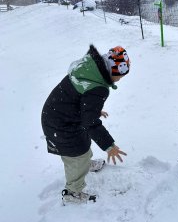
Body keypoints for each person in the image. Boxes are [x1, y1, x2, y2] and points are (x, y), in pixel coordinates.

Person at [41, 45, 130, 204]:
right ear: (112, 71)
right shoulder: (98, 87)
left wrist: (93, 110)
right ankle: (72, 192)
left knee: (82, 145)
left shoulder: (90, 70)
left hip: (57, 115)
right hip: (60, 125)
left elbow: (80, 99)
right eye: (120, 75)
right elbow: (90, 122)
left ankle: (85, 164)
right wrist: (109, 145)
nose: (120, 79)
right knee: (76, 156)